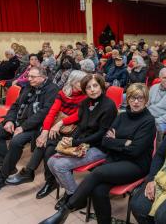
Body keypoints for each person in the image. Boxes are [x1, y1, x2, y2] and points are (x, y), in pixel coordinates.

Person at [40, 83, 156, 224]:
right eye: (133, 98)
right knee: (98, 190)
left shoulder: (148, 121)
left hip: (136, 165)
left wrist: (116, 141)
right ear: (128, 99)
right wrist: (125, 142)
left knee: (98, 173)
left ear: (146, 100)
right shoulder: (122, 116)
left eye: (140, 98)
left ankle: (66, 209)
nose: (136, 102)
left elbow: (136, 150)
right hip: (116, 159)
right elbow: (105, 141)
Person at [5, 70, 87, 199]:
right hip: (59, 128)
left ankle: (35, 175)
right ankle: (44, 179)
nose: (84, 85)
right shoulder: (63, 93)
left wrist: (59, 124)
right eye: (80, 82)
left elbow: (79, 115)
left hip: (75, 130)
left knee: (48, 150)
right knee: (43, 141)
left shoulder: (86, 96)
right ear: (72, 82)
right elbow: (52, 113)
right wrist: (45, 131)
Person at [45, 74, 118, 210]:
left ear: (101, 86)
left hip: (100, 147)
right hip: (83, 142)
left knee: (60, 166)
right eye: (88, 87)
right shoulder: (85, 102)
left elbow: (101, 134)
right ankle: (72, 192)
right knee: (51, 161)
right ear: (84, 90)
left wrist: (76, 142)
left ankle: (76, 197)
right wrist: (72, 139)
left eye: (95, 86)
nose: (92, 90)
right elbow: (80, 125)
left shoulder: (109, 106)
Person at [0, 66, 59, 195]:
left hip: (36, 127)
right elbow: (15, 105)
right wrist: (9, 121)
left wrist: (23, 127)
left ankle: (1, 177)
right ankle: (7, 167)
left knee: (16, 142)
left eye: (32, 77)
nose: (29, 79)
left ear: (43, 77)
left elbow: (43, 113)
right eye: (29, 76)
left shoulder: (52, 90)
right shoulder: (28, 86)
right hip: (18, 122)